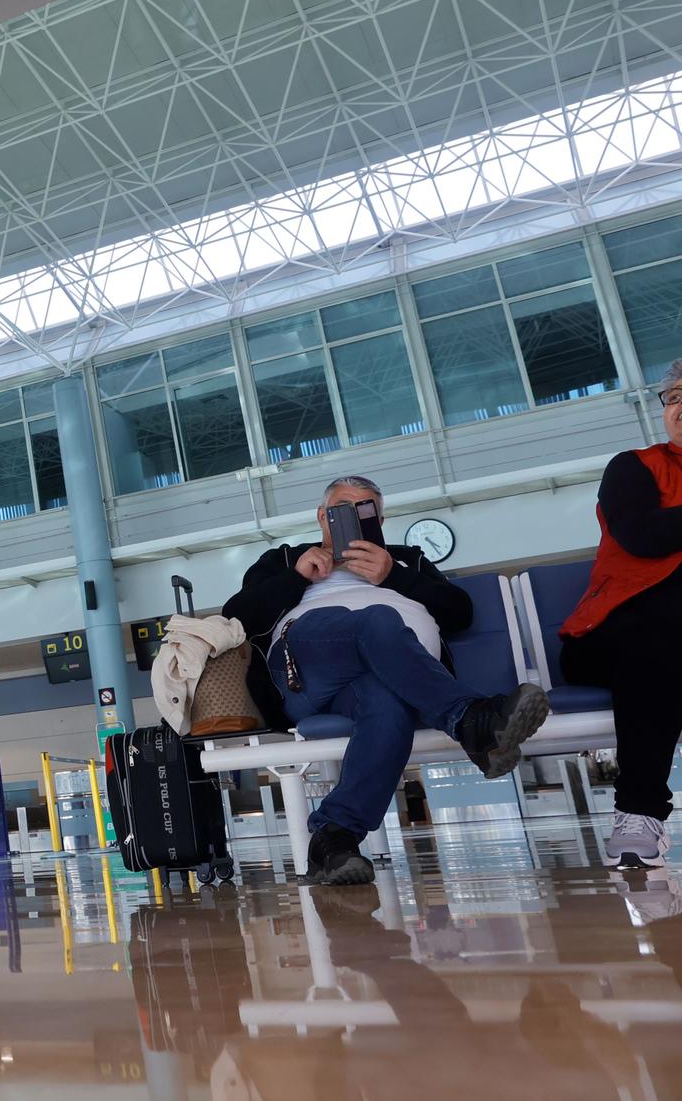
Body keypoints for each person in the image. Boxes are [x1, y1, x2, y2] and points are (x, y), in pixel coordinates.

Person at [222, 476, 549, 884]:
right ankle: (469, 720)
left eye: (365, 509)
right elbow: (236, 616)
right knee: (376, 620)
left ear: (379, 517)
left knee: (387, 708)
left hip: (388, 679)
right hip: (307, 670)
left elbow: (460, 613)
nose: (353, 516)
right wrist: (297, 578)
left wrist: (393, 576)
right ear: (323, 516)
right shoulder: (286, 559)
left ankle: (334, 840)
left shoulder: (406, 560)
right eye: (342, 507)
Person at [557, 357, 682, 868]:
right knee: (661, 630)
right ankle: (639, 810)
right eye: (673, 396)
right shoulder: (633, 466)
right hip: (609, 637)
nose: (679, 405)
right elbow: (643, 536)